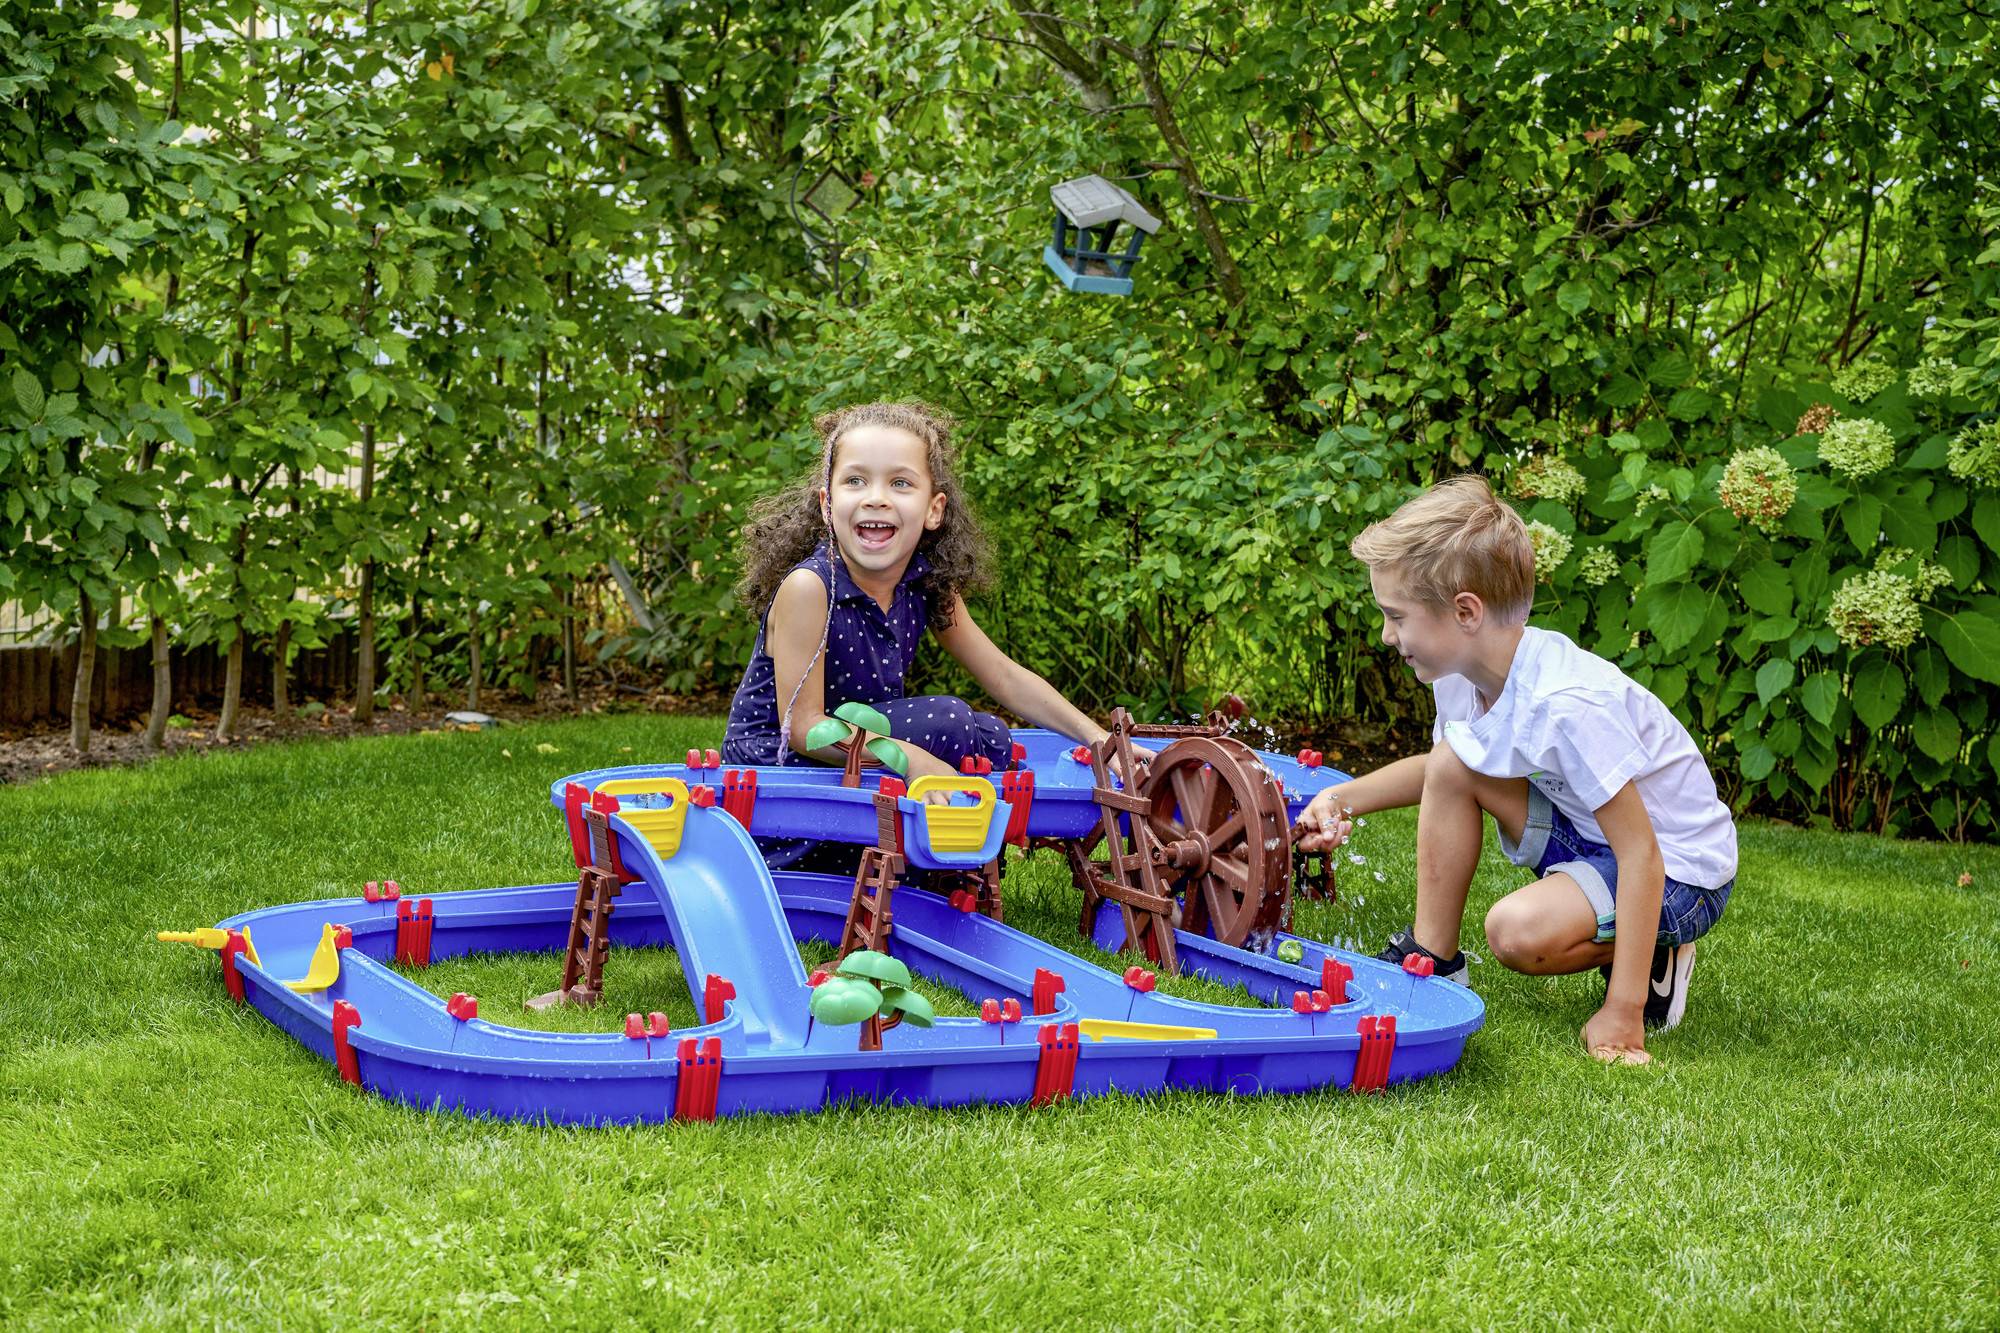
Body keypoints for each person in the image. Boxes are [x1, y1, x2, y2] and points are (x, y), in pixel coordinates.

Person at [1294, 476, 1736, 1063]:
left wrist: (1622, 1015)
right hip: (1589, 836)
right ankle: (1432, 963)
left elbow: (1642, 855)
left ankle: (1655, 955)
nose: (1386, 635)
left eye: (1396, 616)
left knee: (1515, 933)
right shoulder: (1459, 676)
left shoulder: (1567, 704)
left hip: (1679, 871)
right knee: (1454, 761)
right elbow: (1442, 769)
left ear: (1465, 612)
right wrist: (1341, 800)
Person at [722, 400, 1123, 864]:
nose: (875, 496)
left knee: (986, 733)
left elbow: (1003, 676)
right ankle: (891, 845)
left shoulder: (925, 584)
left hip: (856, 744)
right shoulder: (810, 588)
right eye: (855, 480)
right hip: (778, 778)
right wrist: (913, 760)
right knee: (949, 722)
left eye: (900, 483)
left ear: (933, 510)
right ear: (827, 504)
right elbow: (803, 728)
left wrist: (1099, 742)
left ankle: (936, 837)